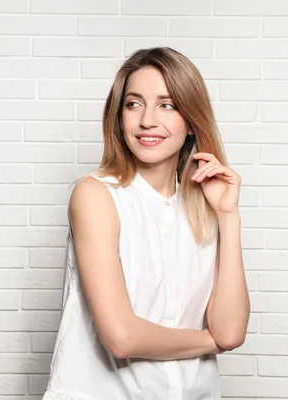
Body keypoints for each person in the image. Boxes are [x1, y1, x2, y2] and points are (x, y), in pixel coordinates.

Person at [43, 47, 250, 400]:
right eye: (134, 103)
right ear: (118, 116)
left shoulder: (204, 208)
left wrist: (229, 216)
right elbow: (122, 337)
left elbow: (230, 333)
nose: (147, 121)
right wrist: (208, 342)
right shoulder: (95, 196)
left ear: (191, 122)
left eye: (167, 105)